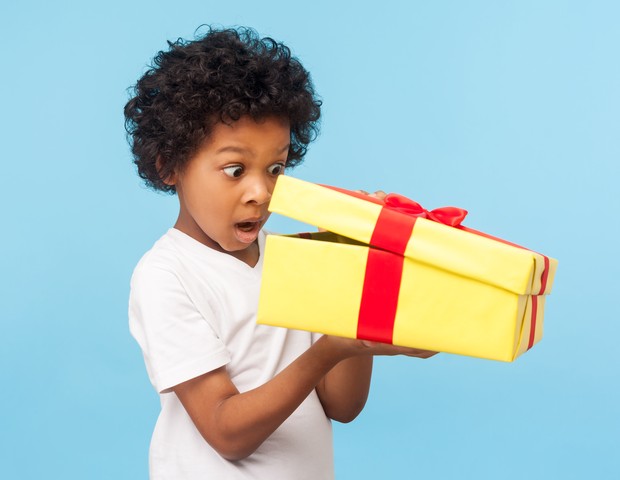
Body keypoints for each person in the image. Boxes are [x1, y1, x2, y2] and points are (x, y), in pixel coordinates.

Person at [125, 26, 436, 479]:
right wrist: (327, 351)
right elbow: (226, 432)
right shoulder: (166, 275)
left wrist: (358, 272)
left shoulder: (292, 259)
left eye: (276, 168)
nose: (261, 191)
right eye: (235, 170)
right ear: (169, 164)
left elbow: (342, 405)